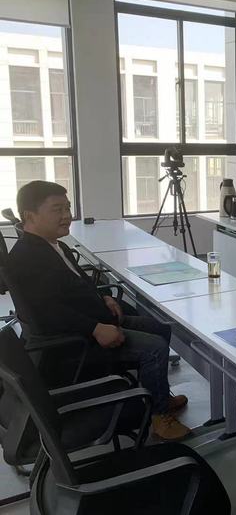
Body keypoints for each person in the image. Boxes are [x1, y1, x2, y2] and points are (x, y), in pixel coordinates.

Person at [7, 181, 191, 441]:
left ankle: (156, 396)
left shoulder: (53, 245)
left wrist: (103, 297)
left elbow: (77, 284)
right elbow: (47, 312)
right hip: (75, 341)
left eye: (68, 208)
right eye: (57, 209)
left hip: (94, 319)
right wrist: (95, 328)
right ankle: (159, 418)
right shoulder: (27, 257)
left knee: (158, 328)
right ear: (30, 216)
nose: (67, 215)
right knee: (154, 347)